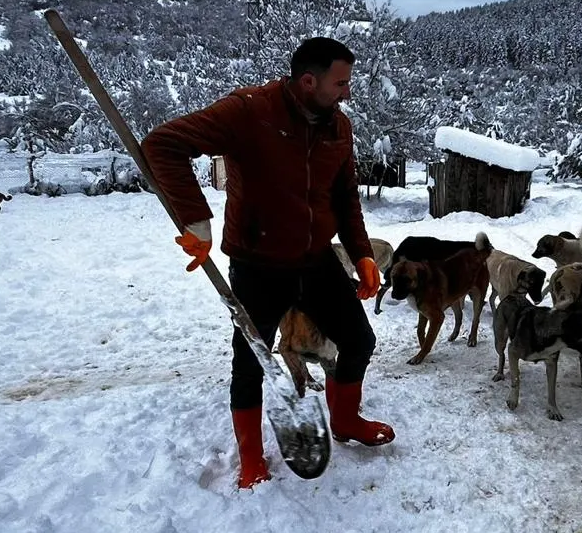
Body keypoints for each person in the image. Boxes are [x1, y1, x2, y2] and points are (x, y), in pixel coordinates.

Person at [141, 35, 394, 488]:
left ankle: (345, 420)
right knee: (252, 363)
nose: (348, 92)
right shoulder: (249, 110)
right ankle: (252, 458)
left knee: (358, 341)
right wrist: (197, 223)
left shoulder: (339, 127)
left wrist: (361, 253)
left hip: (316, 260)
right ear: (308, 80)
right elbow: (163, 145)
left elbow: (344, 196)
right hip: (258, 264)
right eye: (340, 83)